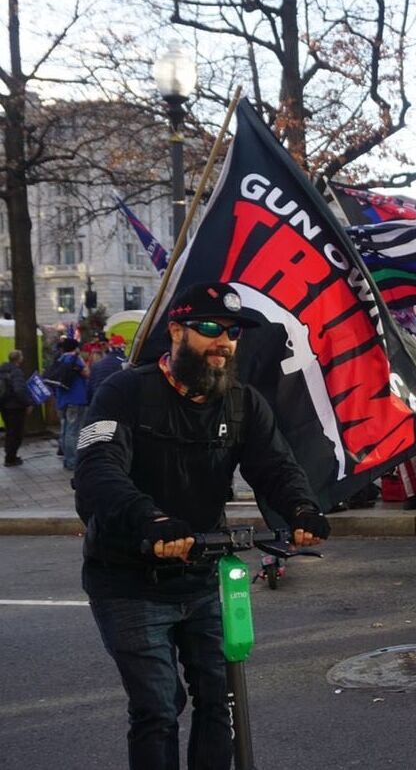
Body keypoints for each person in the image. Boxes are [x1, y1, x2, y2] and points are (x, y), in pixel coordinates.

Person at [74, 282, 330, 770]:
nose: (224, 341)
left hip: (204, 576)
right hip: (128, 578)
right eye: (210, 328)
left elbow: (275, 467)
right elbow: (96, 469)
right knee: (158, 707)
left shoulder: (242, 402)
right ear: (176, 331)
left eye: (232, 331)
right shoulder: (125, 392)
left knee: (221, 698)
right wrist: (150, 519)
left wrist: (300, 509)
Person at [51, 336, 89, 470]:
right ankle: (73, 462)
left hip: (62, 400)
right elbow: (87, 374)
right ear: (75, 348)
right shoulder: (75, 359)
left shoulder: (60, 359)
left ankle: (67, 460)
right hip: (77, 400)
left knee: (65, 430)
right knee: (74, 431)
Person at [0, 349, 35, 466]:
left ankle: (10, 455)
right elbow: (19, 390)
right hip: (15, 407)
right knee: (16, 433)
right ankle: (11, 458)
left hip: (4, 405)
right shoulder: (16, 372)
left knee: (10, 431)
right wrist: (28, 403)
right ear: (19, 359)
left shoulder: (2, 370)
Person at [88, 333, 128, 401]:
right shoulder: (125, 363)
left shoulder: (97, 364)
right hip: (116, 401)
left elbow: (90, 386)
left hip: (97, 400)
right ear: (123, 346)